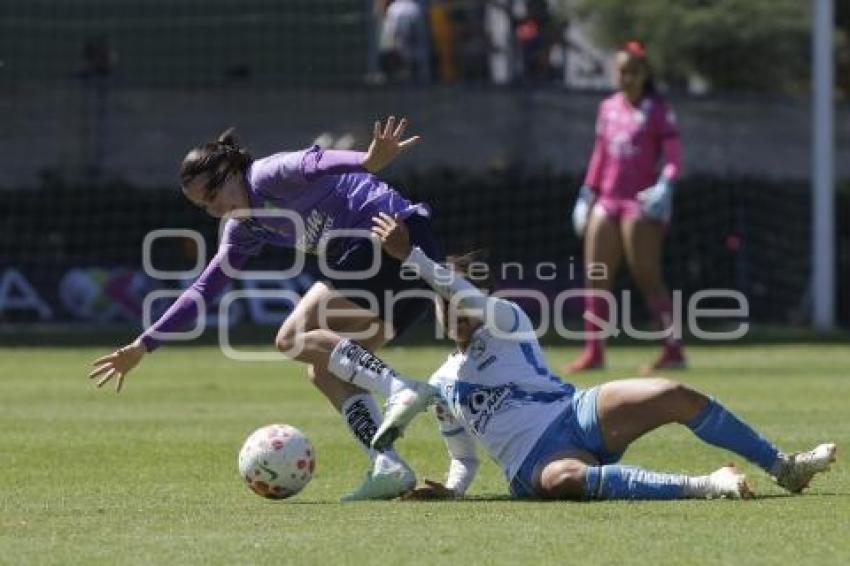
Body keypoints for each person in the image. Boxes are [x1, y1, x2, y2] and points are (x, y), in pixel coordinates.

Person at [320, 214, 836, 501]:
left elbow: (466, 294)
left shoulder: (505, 320)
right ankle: (708, 486)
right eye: (445, 303)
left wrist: (411, 256)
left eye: (461, 300)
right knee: (567, 481)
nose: (456, 310)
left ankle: (783, 467)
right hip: (532, 466)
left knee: (674, 394)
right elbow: (462, 458)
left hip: (578, 414)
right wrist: (453, 491)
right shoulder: (442, 383)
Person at [88, 117, 442, 501]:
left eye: (212, 195)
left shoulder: (267, 175)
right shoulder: (243, 228)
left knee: (290, 338)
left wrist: (368, 160)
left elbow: (319, 163)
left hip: (390, 234)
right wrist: (143, 345)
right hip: (410, 262)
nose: (214, 209)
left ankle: (400, 389)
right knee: (324, 371)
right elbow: (204, 289)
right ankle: (386, 463)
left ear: (230, 171)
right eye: (204, 207)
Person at [567, 40, 685, 375]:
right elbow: (600, 155)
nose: (626, 77)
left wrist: (666, 184)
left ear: (644, 73)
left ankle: (673, 348)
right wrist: (586, 193)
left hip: (640, 202)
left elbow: (674, 159)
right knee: (596, 275)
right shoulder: (608, 108)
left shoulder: (658, 110)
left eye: (633, 71)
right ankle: (594, 351)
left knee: (647, 274)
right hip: (607, 199)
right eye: (621, 71)